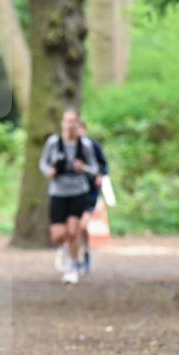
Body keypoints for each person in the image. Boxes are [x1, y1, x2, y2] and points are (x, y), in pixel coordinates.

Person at [40, 109, 106, 285]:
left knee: (73, 231)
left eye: (73, 121)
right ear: (62, 123)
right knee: (58, 235)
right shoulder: (53, 142)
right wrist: (49, 171)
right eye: (67, 121)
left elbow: (95, 168)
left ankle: (72, 267)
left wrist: (83, 168)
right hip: (58, 192)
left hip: (78, 191)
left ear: (77, 124)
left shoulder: (85, 145)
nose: (69, 125)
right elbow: (43, 163)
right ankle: (65, 249)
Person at [73, 116, 108, 275]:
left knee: (82, 225)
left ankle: (85, 254)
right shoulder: (67, 147)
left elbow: (103, 165)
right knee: (75, 227)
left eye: (80, 128)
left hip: (90, 191)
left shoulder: (92, 145)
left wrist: (100, 176)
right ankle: (76, 257)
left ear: (84, 129)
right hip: (72, 191)